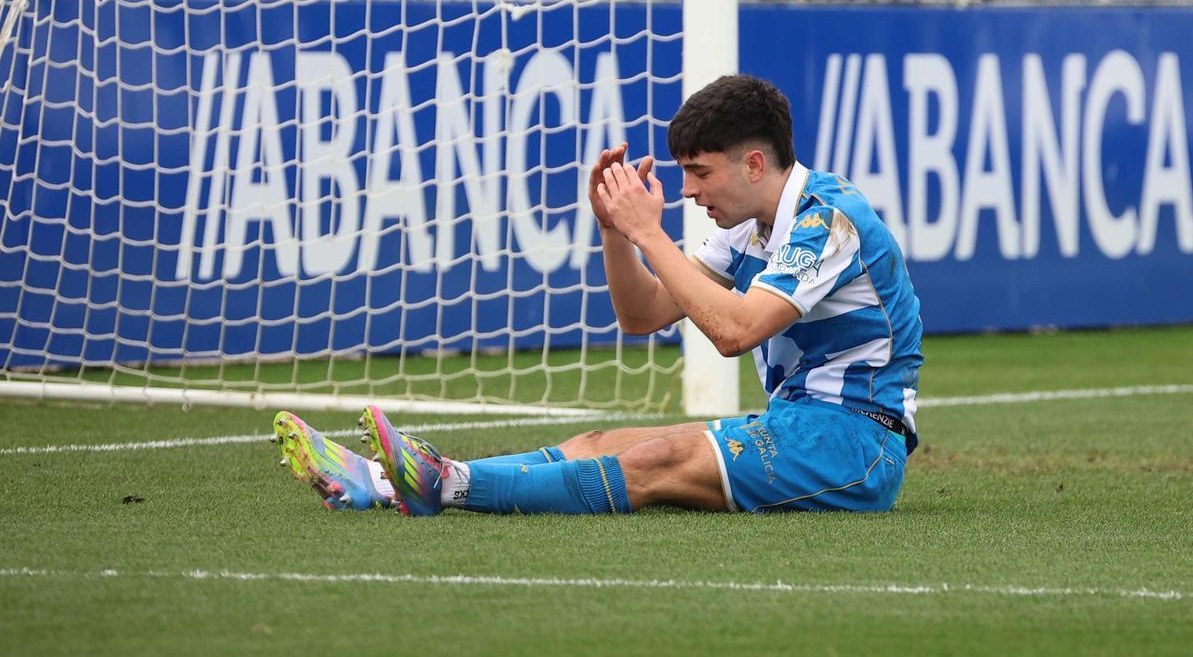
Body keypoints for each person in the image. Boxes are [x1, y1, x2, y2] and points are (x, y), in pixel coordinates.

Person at [273, 74, 923, 515]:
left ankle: (444, 483)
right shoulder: (752, 222)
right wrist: (618, 232)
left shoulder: (827, 221)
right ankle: (383, 484)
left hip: (859, 444)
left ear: (754, 164)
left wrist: (650, 231)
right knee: (596, 440)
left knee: (656, 458)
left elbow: (734, 332)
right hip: (794, 424)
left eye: (700, 171)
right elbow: (642, 315)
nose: (690, 191)